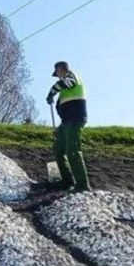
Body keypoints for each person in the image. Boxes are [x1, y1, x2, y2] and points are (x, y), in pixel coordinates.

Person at [46, 61, 90, 191]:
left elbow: (65, 83)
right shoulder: (64, 89)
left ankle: (82, 185)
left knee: (73, 150)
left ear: (60, 70)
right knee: (58, 149)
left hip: (75, 119)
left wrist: (51, 92)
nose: (58, 76)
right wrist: (60, 129)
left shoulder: (72, 77)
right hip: (66, 122)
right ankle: (67, 181)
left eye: (57, 73)